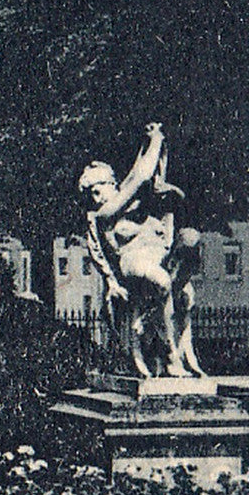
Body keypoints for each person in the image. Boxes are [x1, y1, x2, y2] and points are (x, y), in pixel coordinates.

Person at [80, 122, 205, 378]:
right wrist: (156, 139)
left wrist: (150, 144)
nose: (95, 199)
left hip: (159, 257)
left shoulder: (133, 199)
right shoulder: (105, 213)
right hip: (132, 260)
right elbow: (141, 176)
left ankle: (152, 318)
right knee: (161, 280)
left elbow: (141, 175)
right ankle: (171, 355)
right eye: (91, 195)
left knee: (191, 243)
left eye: (97, 191)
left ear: (111, 183)